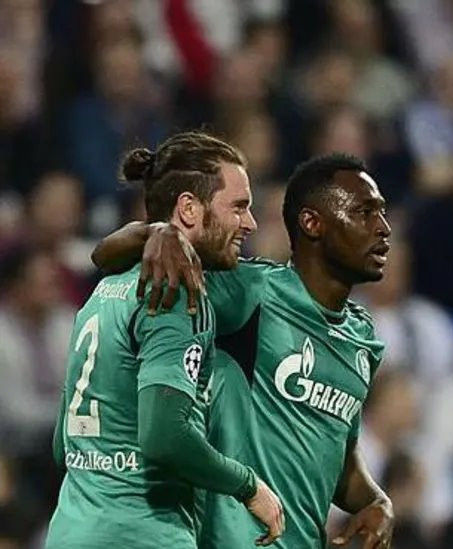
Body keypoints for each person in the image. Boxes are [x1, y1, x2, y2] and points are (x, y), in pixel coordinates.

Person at [92, 153, 395, 549]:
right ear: (312, 223)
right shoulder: (251, 293)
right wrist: (152, 233)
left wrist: (377, 502)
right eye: (364, 212)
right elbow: (106, 259)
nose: (384, 228)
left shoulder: (361, 335)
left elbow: (340, 460)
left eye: (382, 212)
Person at [44, 131, 284, 549]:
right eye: (239, 207)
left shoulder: (105, 290)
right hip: (142, 534)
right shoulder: (175, 295)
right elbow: (164, 438)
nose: (250, 223)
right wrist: (249, 486)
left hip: (72, 529)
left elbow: (63, 446)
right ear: (189, 209)